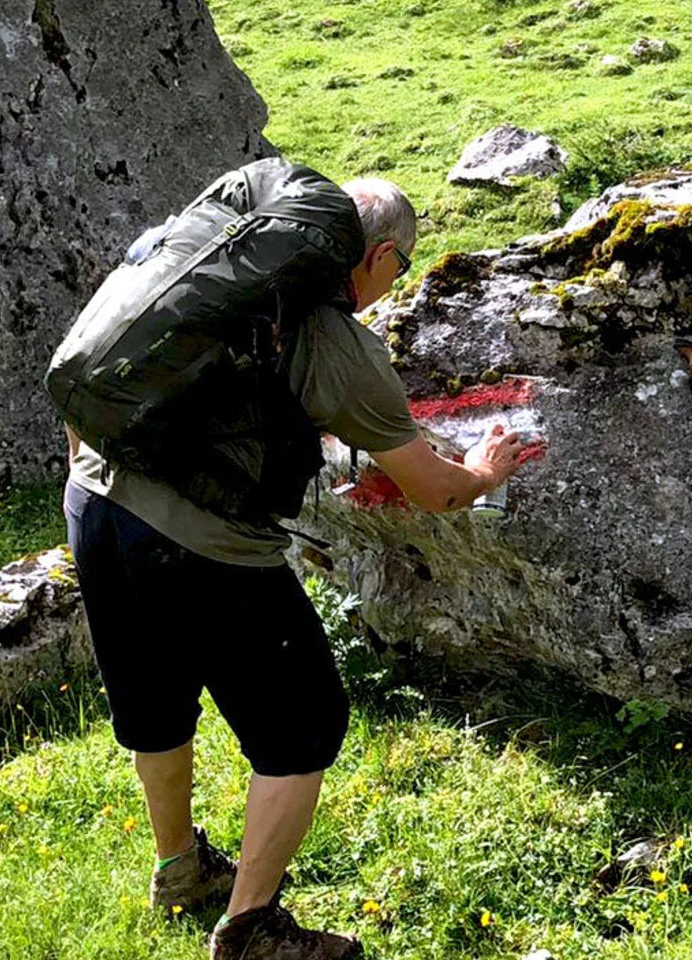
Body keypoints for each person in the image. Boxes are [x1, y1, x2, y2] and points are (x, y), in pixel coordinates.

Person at [63, 177, 526, 959]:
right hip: (201, 546)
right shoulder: (336, 343)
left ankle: (180, 869)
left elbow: (84, 371)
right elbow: (433, 490)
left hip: (94, 504)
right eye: (402, 267)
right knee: (305, 726)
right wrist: (483, 471)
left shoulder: (192, 270)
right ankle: (250, 933)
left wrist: (94, 483)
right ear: (378, 256)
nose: (396, 281)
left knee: (157, 705)